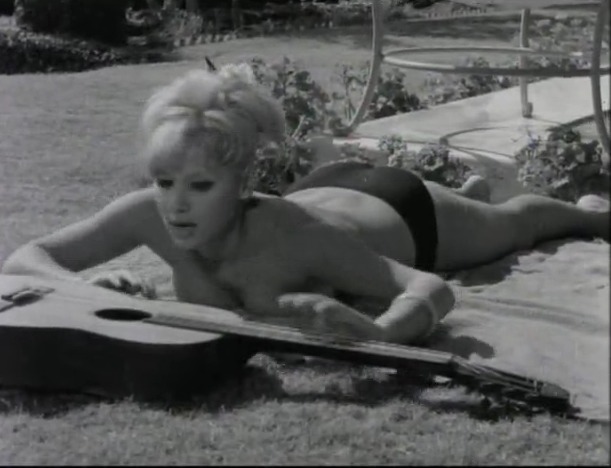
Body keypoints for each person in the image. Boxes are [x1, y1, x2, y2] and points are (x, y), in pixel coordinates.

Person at [2, 65, 608, 345]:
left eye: (200, 187)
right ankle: (469, 194)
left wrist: (381, 331)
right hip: (323, 185)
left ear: (241, 184)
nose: (176, 206)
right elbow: (26, 259)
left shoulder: (300, 238)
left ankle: (590, 211)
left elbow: (430, 288)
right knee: (481, 212)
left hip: (402, 210)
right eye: (164, 181)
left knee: (517, 225)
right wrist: (87, 290)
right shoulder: (149, 213)